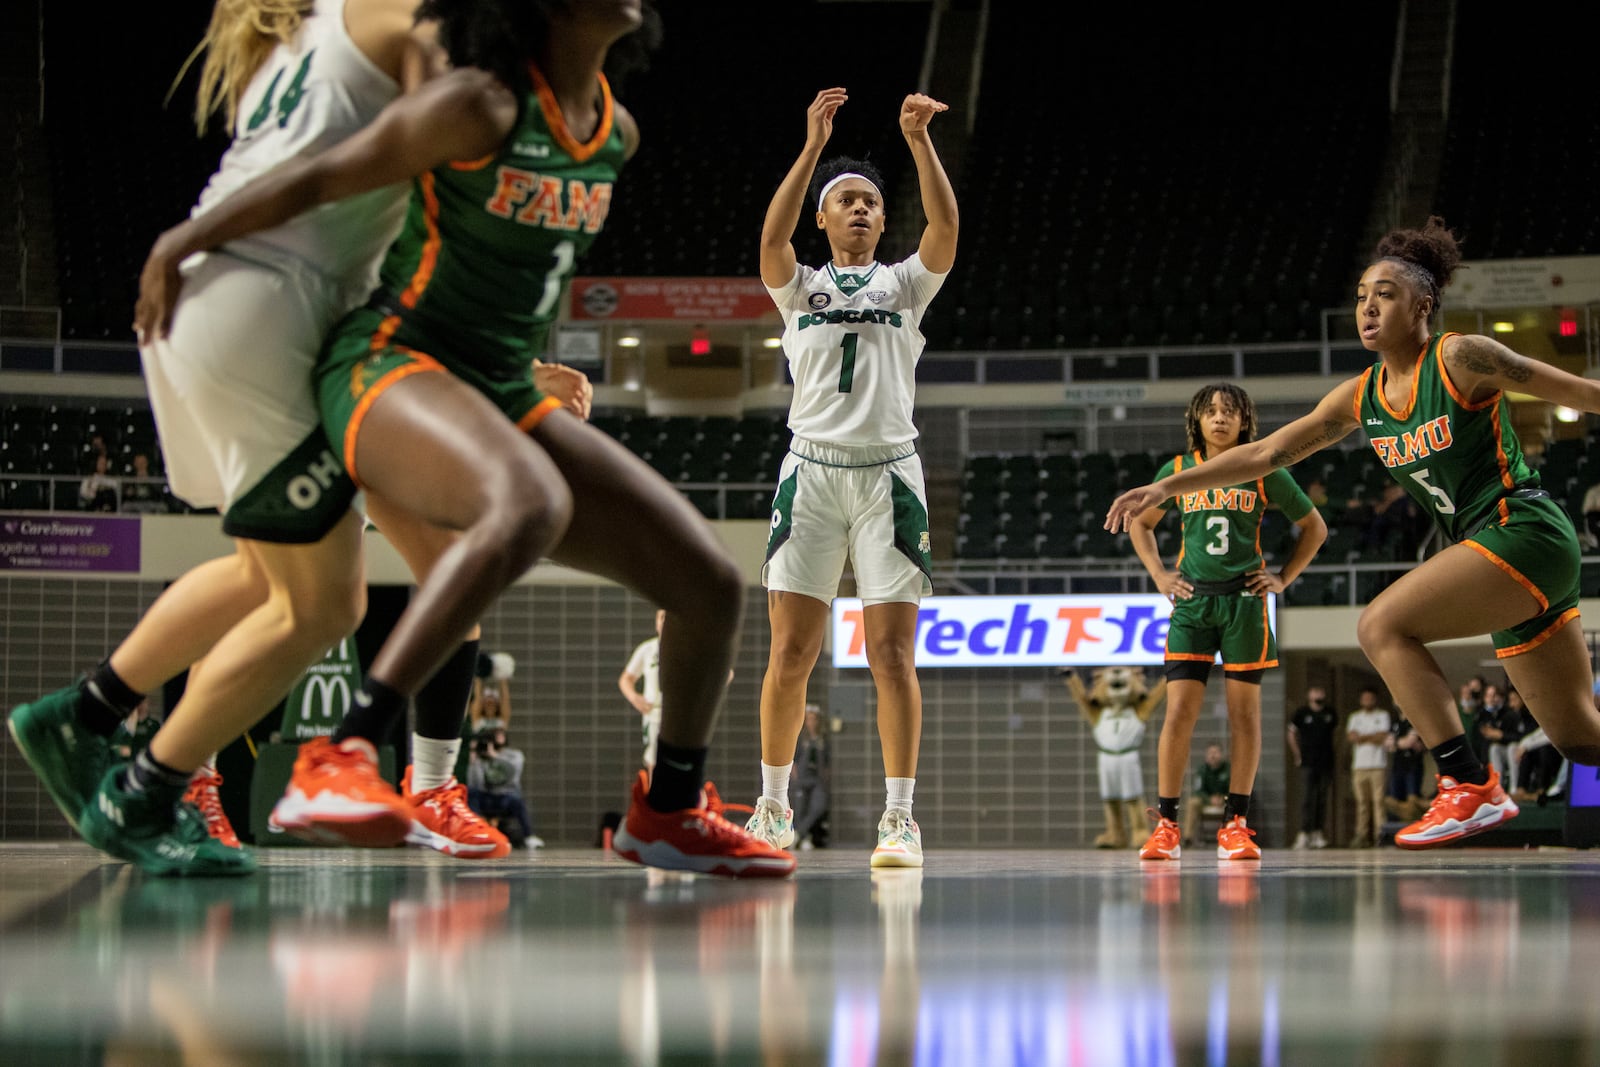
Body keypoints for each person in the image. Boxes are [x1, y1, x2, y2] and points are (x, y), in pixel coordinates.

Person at [131, 0, 794, 878]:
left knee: (708, 580)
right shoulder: (478, 105)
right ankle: (347, 755)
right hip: (391, 359)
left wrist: (528, 372)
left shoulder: (615, 133)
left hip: (493, 378)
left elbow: (516, 275)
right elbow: (320, 178)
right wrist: (183, 240)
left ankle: (666, 809)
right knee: (522, 505)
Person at [1106, 216, 1600, 849]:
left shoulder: (1459, 356)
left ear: (1423, 305)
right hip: (1498, 554)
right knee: (1579, 738)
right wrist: (1166, 487)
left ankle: (1467, 784)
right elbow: (1267, 454)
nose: (1368, 306)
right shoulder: (1360, 395)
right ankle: (1474, 786)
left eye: (1385, 294)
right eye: (1363, 295)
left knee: (1379, 625)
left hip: (1521, 527)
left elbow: (1576, 389)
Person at [741, 86, 958, 871]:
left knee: (892, 657)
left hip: (889, 477)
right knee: (790, 653)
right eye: (846, 202)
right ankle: (771, 806)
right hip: (813, 473)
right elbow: (769, 236)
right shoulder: (797, 285)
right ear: (824, 219)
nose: (861, 210)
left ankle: (899, 819)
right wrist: (810, 149)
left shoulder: (905, 284)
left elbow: (946, 228)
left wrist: (918, 144)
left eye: (870, 201)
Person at [1123, 382, 1328, 862]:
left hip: (1244, 603)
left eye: (1229, 412)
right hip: (1193, 603)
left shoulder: (1263, 468)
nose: (1219, 418)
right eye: (1211, 411)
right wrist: (1158, 574)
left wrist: (1283, 578)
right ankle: (1167, 825)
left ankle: (1236, 824)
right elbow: (1141, 523)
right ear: (1196, 419)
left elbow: (1315, 527)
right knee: (1178, 715)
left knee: (1245, 717)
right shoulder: (1176, 471)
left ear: (1244, 422)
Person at [466, 722, 539, 849]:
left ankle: (529, 836)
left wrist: (495, 756)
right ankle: (474, 833)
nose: (499, 737)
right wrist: (474, 761)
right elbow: (475, 783)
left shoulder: (514, 755)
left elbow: (511, 774)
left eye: (501, 735)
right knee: (471, 793)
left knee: (518, 801)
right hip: (488, 797)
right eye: (495, 735)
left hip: (506, 797)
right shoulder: (481, 758)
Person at [1287, 684, 1337, 849]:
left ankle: (1318, 832)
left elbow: (1338, 734)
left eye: (1321, 691)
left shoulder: (1330, 713)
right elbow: (1291, 733)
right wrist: (1297, 754)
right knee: (1308, 798)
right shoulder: (1302, 713)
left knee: (1322, 798)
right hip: (1308, 761)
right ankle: (1304, 832)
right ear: (1309, 694)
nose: (1318, 693)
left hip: (1326, 761)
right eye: (1315, 691)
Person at [618, 609, 664, 775]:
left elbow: (724, 674)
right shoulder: (648, 649)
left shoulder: (689, 648)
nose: (665, 622)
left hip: (680, 717)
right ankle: (655, 800)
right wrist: (634, 697)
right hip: (654, 715)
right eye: (661, 617)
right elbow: (625, 679)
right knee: (654, 764)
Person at [1346, 686, 1391, 847]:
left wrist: (1363, 737)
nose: (1367, 701)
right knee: (1362, 802)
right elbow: (1352, 737)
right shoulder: (1354, 717)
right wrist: (1372, 736)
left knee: (1378, 801)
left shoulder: (1383, 715)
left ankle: (1381, 834)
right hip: (1359, 766)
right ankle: (1362, 835)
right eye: (1364, 698)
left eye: (1370, 699)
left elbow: (1382, 736)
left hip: (1377, 764)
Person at [791, 703, 831, 849]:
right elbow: (794, 759)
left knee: (818, 807)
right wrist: (796, 777)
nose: (812, 722)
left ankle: (798, 833)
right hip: (802, 779)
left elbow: (827, 760)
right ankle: (802, 837)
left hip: (817, 779)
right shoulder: (801, 739)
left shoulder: (823, 739)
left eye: (814, 719)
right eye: (809, 719)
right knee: (800, 809)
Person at [1179, 743, 1230, 848]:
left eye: (1215, 752)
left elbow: (1233, 789)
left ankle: (1232, 835)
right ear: (1206, 756)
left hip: (1225, 801)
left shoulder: (1229, 769)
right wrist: (1209, 800)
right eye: (1210, 753)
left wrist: (1223, 799)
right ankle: (1188, 838)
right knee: (1193, 802)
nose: (1213, 756)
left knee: (1236, 801)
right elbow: (1198, 791)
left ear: (1221, 755)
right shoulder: (1202, 770)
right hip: (1207, 801)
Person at [1384, 711, 1427, 822]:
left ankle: (1413, 824)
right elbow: (1388, 744)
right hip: (1398, 765)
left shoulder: (1414, 720)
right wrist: (1401, 743)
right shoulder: (1395, 722)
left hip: (1413, 765)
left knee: (1412, 800)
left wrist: (1396, 743)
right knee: (1393, 800)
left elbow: (1410, 742)